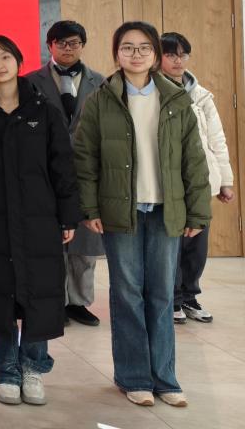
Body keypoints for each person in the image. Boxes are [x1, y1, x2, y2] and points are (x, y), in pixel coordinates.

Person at [74, 21, 210, 408]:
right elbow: (85, 158)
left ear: (155, 54)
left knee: (162, 295)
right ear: (116, 53)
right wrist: (90, 207)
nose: (136, 54)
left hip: (167, 210)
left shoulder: (176, 99)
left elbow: (194, 160)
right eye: (127, 47)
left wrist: (197, 212)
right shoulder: (101, 100)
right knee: (127, 294)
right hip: (121, 211)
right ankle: (134, 377)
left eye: (144, 47)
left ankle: (165, 378)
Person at [0, 36, 79, 407]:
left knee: (39, 293)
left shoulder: (43, 109)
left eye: (5, 57)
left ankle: (33, 368)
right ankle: (6, 370)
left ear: (19, 60)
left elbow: (62, 166)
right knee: (0, 295)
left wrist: (68, 215)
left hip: (39, 218)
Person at [26, 21, 106, 327]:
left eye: (73, 43)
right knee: (51, 241)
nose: (67, 48)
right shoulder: (31, 82)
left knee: (85, 244)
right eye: (60, 43)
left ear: (82, 45)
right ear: (50, 46)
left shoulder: (101, 82)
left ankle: (79, 302)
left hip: (87, 172)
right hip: (47, 172)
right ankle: (54, 301)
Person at [160, 31, 235, 324]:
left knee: (197, 245)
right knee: (173, 244)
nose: (178, 61)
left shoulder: (200, 94)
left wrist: (225, 180)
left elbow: (217, 139)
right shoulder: (153, 90)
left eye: (183, 55)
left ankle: (190, 296)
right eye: (171, 55)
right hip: (170, 181)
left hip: (202, 180)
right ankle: (173, 298)